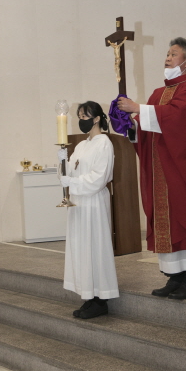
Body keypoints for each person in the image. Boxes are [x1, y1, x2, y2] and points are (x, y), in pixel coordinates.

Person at [117, 38, 186, 300]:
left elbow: (180, 119)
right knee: (167, 223)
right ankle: (175, 276)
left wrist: (138, 109)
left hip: (185, 170)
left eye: (174, 54)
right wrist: (130, 125)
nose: (167, 58)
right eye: (167, 54)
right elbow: (148, 130)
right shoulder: (158, 93)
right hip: (161, 172)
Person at [58, 101, 119, 319]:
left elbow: (99, 178)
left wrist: (72, 183)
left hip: (93, 202)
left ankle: (101, 300)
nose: (81, 120)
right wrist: (62, 163)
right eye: (79, 117)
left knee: (95, 247)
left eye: (84, 116)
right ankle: (89, 295)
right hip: (78, 204)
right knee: (82, 248)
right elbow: (69, 173)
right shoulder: (82, 145)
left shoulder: (104, 143)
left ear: (96, 119)